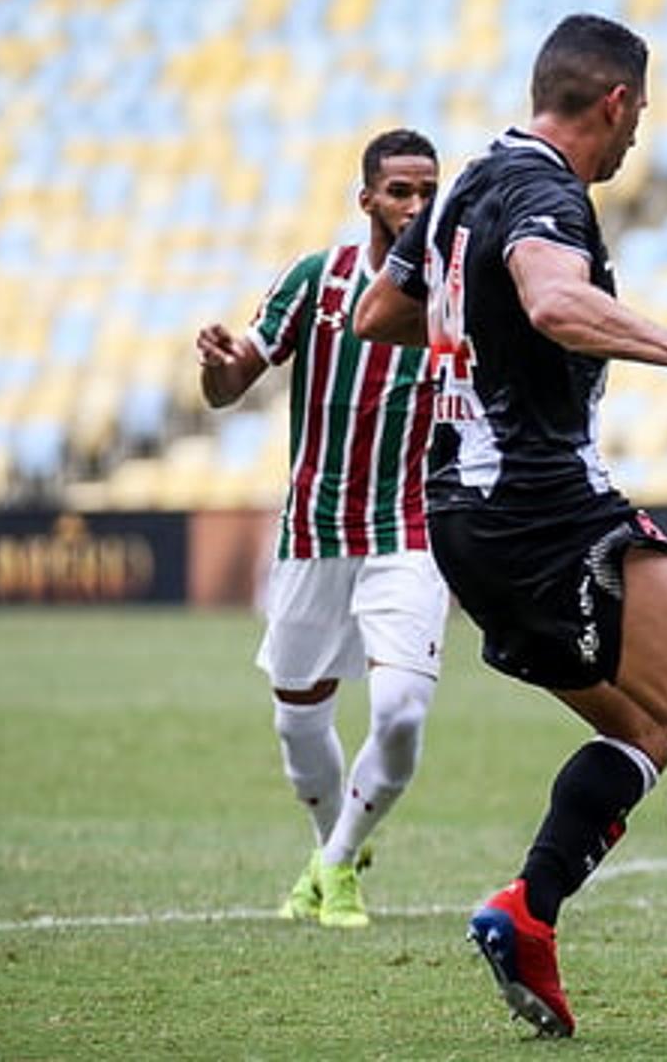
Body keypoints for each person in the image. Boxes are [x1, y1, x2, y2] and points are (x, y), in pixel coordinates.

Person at [350, 14, 667, 1049]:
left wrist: (467, 310)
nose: (635, 141)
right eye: (640, 117)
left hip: (464, 520)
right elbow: (551, 301)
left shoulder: (463, 187)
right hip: (543, 506)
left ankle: (528, 913)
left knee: (648, 731)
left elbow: (378, 317)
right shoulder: (546, 191)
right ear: (616, 104)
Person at [194, 128, 444, 930]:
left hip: (410, 528)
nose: (415, 205)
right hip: (312, 532)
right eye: (400, 191)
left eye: (428, 191)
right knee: (297, 721)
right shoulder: (320, 279)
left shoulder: (456, 288)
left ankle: (336, 866)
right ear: (366, 197)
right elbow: (232, 386)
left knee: (401, 709)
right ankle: (333, 845)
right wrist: (217, 362)